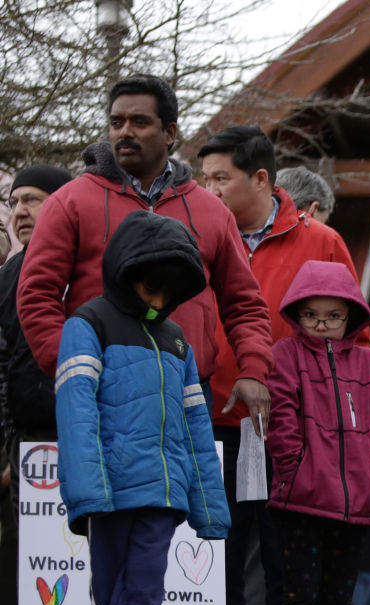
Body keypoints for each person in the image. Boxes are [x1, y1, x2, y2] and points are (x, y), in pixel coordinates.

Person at [196, 125, 369, 605]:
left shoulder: (320, 241)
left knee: (288, 575)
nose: (209, 189)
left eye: (221, 178)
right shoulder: (193, 236)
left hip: (293, 436)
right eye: (204, 178)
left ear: (262, 179)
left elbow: (358, 342)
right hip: (214, 427)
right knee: (215, 568)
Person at [18, 74, 273, 428]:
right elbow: (36, 294)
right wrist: (72, 366)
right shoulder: (69, 202)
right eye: (116, 122)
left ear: (169, 133)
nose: (125, 132)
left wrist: (254, 369)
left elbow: (243, 302)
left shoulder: (212, 211)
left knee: (190, 485)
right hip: (99, 394)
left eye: (139, 122)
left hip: (188, 393)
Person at [54, 210, 230, 605]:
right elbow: (76, 407)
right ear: (126, 272)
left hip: (164, 492)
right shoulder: (88, 323)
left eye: (166, 293)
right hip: (109, 490)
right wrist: (88, 487)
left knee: (145, 591)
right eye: (150, 288)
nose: (157, 301)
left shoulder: (177, 340)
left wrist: (209, 505)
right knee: (112, 593)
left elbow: (197, 427)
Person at [264, 259, 370, 605]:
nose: (322, 324)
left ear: (351, 316)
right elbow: (281, 416)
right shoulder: (285, 355)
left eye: (333, 316)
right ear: (297, 315)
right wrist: (291, 464)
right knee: (297, 602)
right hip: (300, 502)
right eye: (312, 315)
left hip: (356, 506)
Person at [0, 165, 73, 605]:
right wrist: (4, 446)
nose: (21, 212)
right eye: (14, 201)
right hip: (23, 453)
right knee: (20, 582)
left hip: (85, 444)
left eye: (33, 200)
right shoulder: (5, 277)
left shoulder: (89, 271)